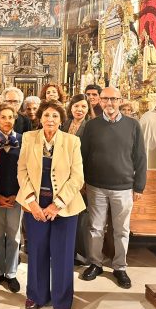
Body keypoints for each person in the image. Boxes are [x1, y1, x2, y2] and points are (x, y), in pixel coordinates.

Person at [16, 100, 85, 309]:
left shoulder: (72, 142)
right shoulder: (29, 138)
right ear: (40, 118)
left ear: (61, 119)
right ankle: (36, 295)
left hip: (64, 207)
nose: (50, 120)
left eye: (55, 116)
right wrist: (32, 203)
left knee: (63, 255)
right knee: (36, 252)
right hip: (35, 204)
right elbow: (22, 171)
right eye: (46, 115)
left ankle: (63, 301)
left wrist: (57, 205)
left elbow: (77, 178)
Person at [80, 87, 146, 289]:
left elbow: (140, 157)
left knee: (122, 229)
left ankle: (120, 267)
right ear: (99, 101)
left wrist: (139, 186)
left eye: (114, 99)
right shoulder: (91, 126)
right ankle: (95, 263)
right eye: (106, 99)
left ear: (120, 100)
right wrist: (82, 181)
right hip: (95, 186)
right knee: (95, 228)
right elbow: (82, 155)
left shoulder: (133, 125)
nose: (110, 103)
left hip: (124, 187)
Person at [0, 103, 23, 294]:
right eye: (3, 117)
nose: (7, 121)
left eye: (11, 117)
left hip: (17, 197)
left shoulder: (23, 141)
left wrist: (19, 195)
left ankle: (11, 273)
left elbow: (27, 171)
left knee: (14, 236)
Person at [61, 94, 93, 265]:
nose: (79, 110)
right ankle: (66, 251)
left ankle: (79, 253)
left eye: (83, 107)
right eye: (76, 106)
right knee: (65, 215)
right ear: (70, 107)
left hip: (81, 177)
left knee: (80, 217)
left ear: (88, 109)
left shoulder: (90, 127)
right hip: (63, 176)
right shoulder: (65, 124)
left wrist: (83, 181)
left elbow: (91, 156)